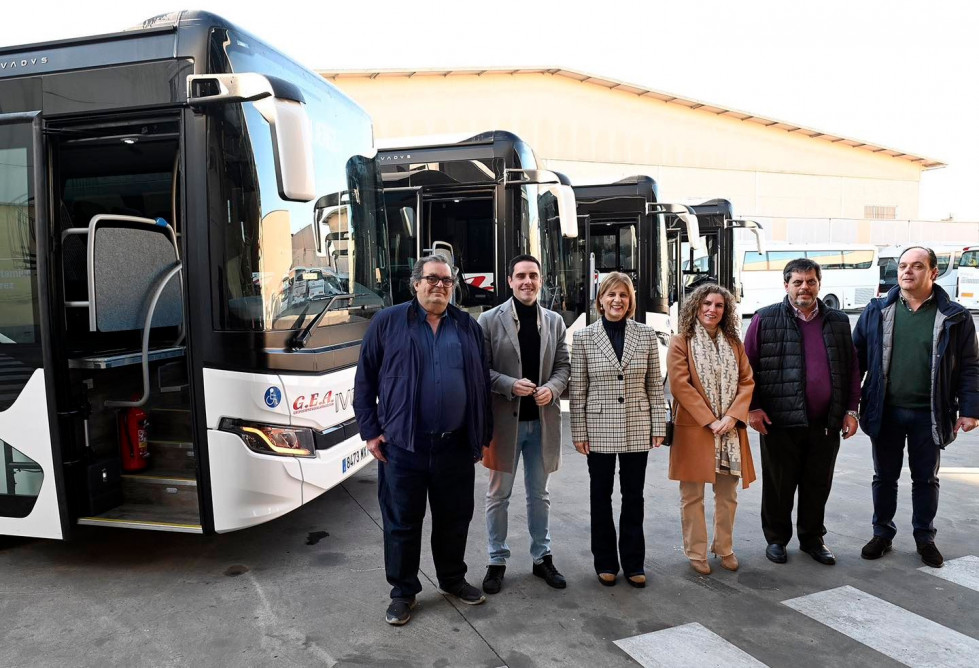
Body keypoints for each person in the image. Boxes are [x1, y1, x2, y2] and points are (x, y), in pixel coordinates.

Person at [353, 255, 492, 626]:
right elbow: (364, 381)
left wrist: (482, 435)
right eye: (432, 279)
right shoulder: (387, 323)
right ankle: (403, 592)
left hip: (455, 447)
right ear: (415, 284)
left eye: (447, 281)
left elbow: (480, 387)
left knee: (454, 519)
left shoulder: (467, 327)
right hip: (403, 446)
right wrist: (370, 431)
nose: (440, 286)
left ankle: (452, 579)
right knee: (401, 523)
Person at [853, 246, 979, 568]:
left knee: (926, 479)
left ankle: (925, 537)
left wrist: (970, 409)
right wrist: (850, 407)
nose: (908, 272)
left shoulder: (955, 316)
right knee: (884, 477)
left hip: (930, 413)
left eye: (917, 266)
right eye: (903, 266)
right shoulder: (877, 310)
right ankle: (882, 533)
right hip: (886, 410)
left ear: (933, 272)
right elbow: (855, 360)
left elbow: (969, 366)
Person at [744, 258, 861, 566]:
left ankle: (812, 539)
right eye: (797, 282)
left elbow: (850, 368)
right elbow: (747, 369)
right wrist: (753, 408)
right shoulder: (764, 319)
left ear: (819, 284)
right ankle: (776, 540)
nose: (804, 287)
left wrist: (851, 410)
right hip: (779, 421)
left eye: (810, 281)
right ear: (786, 286)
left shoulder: (837, 321)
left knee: (817, 484)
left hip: (825, 422)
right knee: (778, 484)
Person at [478, 255, 571, 594]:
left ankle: (541, 557)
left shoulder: (555, 321)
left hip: (542, 424)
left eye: (533, 275)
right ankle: (496, 560)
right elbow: (481, 371)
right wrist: (508, 384)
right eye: (521, 276)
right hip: (504, 426)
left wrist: (552, 387)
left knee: (539, 495)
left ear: (541, 279)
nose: (527, 281)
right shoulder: (488, 321)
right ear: (509, 280)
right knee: (497, 495)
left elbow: (564, 366)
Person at [570, 272, 667, 588]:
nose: (617, 300)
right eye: (611, 294)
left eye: (623, 295)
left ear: (631, 301)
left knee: (633, 496)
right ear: (601, 300)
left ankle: (634, 562)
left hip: (637, 425)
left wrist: (658, 424)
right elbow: (578, 389)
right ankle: (606, 562)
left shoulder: (647, 335)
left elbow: (655, 384)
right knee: (600, 496)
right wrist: (579, 432)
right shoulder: (585, 337)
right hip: (598, 427)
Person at [667, 284, 755, 575]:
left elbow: (747, 382)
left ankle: (724, 547)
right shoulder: (681, 341)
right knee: (692, 495)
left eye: (719, 305)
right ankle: (696, 551)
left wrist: (732, 416)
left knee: (727, 495)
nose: (712, 310)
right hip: (695, 429)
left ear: (725, 311)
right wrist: (710, 419)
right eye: (706, 303)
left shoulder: (734, 343)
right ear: (696, 306)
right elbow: (680, 386)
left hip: (730, 430)